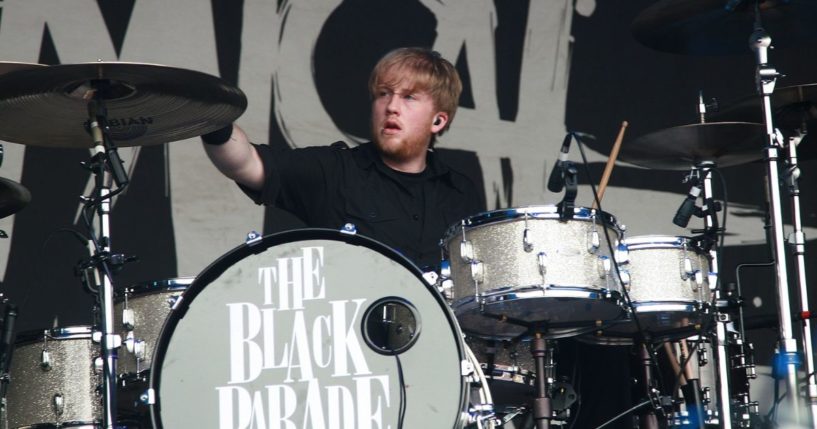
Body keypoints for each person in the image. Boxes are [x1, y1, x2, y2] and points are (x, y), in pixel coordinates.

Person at [201, 47, 485, 270]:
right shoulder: (335, 171)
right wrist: (210, 116)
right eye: (383, 94)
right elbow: (245, 163)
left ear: (438, 120)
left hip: (442, 340)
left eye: (409, 97)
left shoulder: (460, 192)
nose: (392, 107)